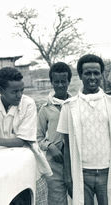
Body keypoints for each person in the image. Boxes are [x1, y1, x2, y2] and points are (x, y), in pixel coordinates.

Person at [0, 67, 52, 205]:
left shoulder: (28, 104)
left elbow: (22, 141)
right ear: (1, 90)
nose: (19, 95)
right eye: (14, 91)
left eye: (22, 90)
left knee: (34, 199)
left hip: (26, 164)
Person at [57, 54, 111, 205]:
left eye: (96, 73)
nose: (92, 77)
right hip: (82, 173)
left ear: (102, 74)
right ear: (80, 75)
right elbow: (67, 144)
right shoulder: (69, 106)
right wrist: (68, 176)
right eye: (87, 73)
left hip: (108, 171)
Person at [37, 62, 72, 205]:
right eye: (56, 82)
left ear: (69, 81)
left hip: (75, 160)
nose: (60, 85)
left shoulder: (75, 105)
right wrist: (50, 146)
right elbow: (38, 137)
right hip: (54, 163)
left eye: (63, 81)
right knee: (57, 201)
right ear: (51, 82)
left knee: (79, 197)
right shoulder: (45, 109)